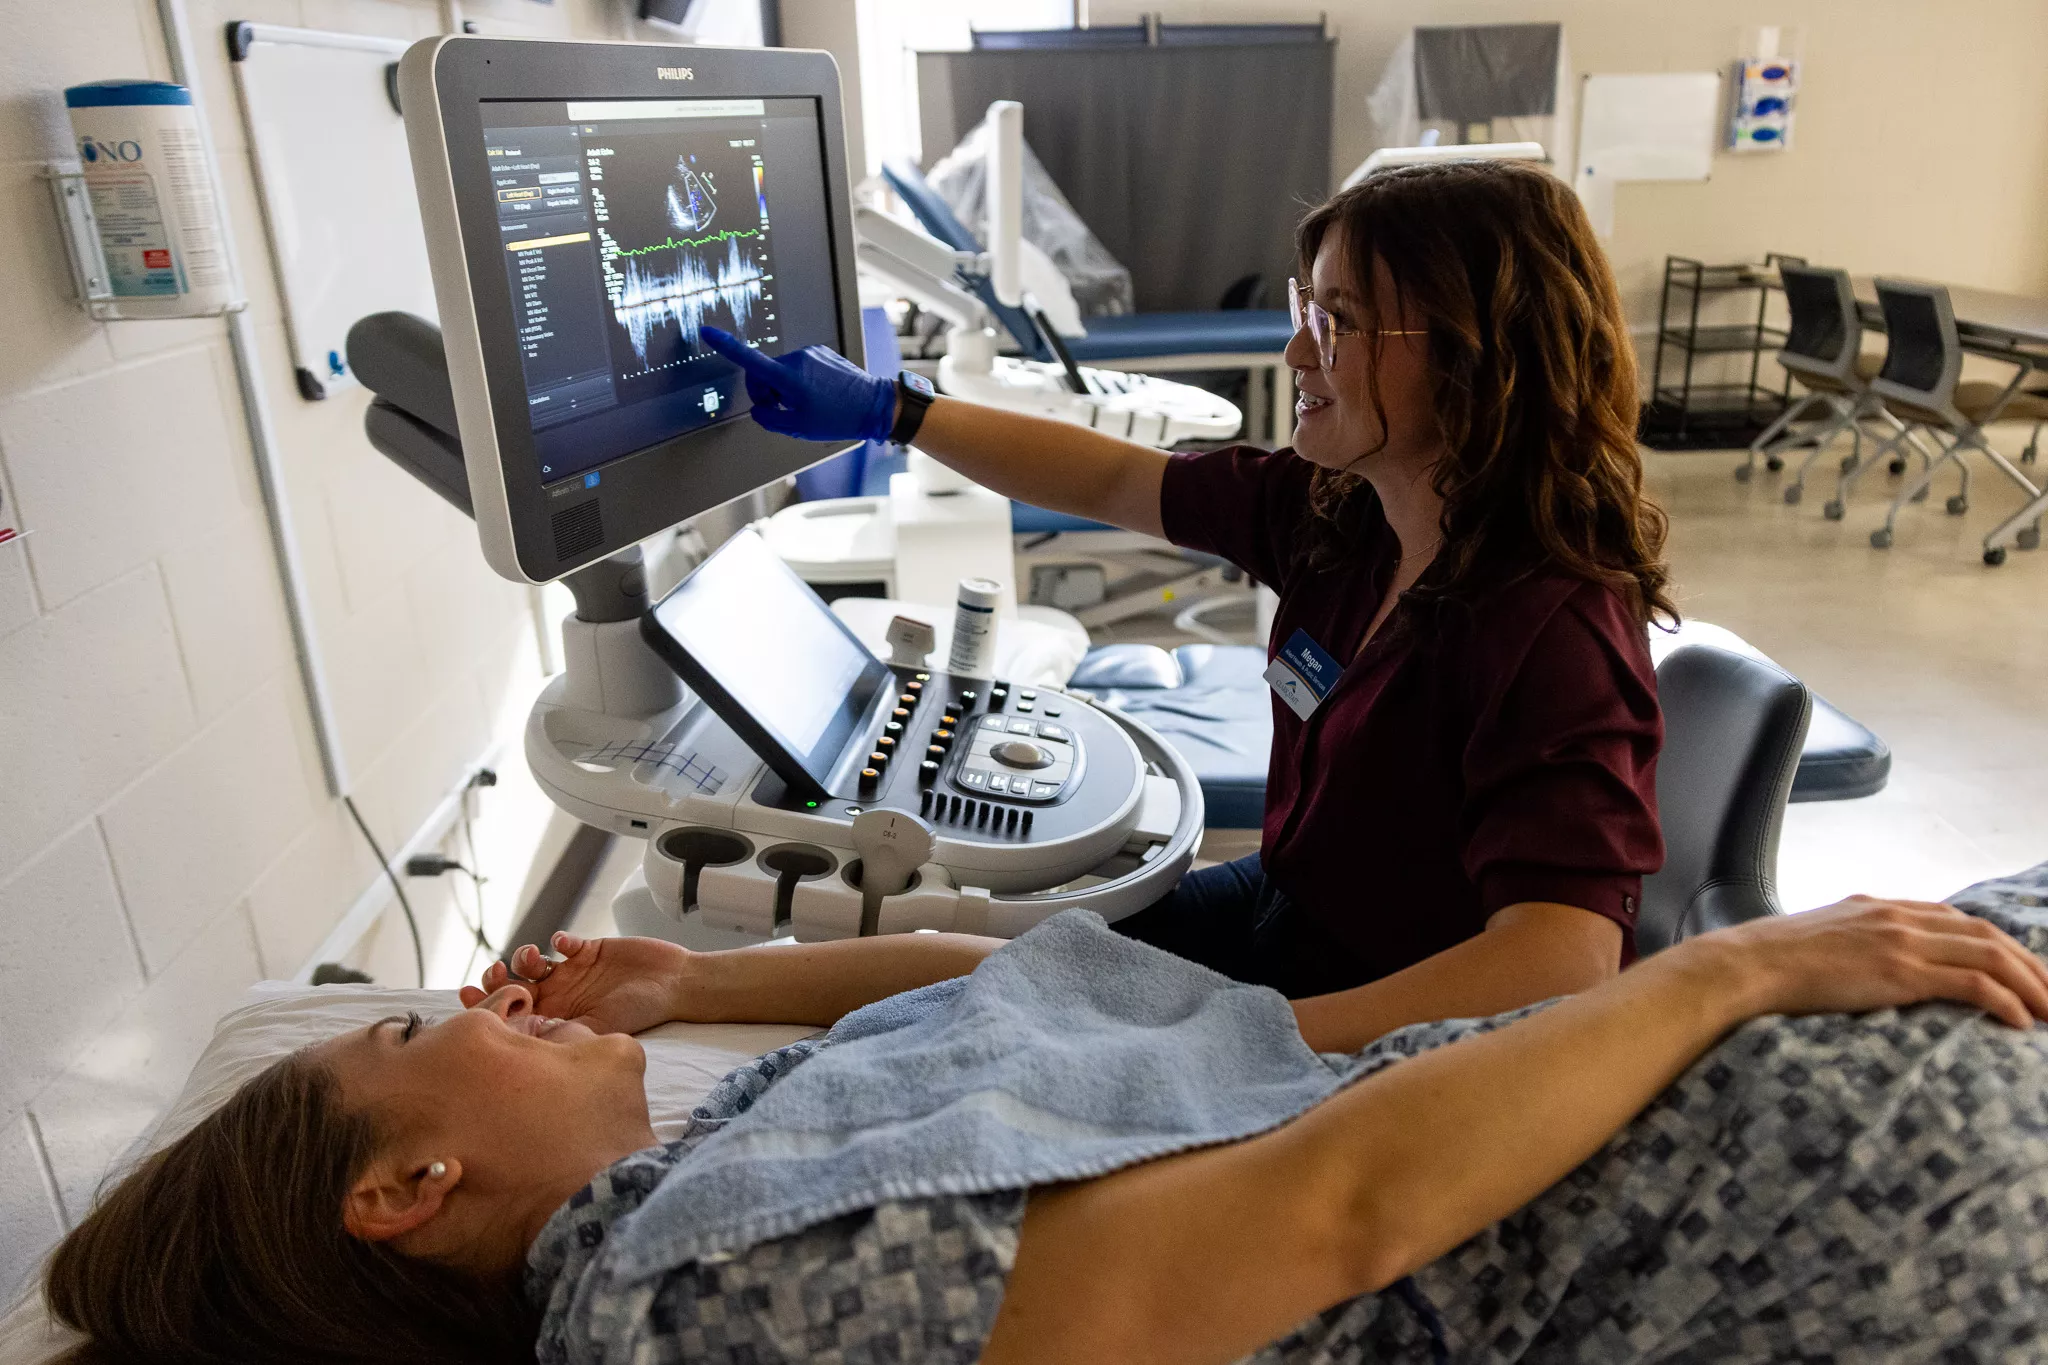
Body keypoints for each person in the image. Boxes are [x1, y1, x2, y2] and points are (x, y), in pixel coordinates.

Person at [42, 893, 2048, 1364]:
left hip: (1757, 1078)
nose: (475, 991)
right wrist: (1724, 974)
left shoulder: (668, 1199)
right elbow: (1338, 1207)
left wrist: (700, 983)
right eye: (418, 1024)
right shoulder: (702, 1301)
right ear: (405, 1185)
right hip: (1853, 1188)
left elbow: (1004, 991)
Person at [698, 158, 1667, 1036]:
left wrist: (1262, 1044)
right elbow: (1120, 481)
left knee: (1006, 1001)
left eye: (1337, 321)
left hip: (1377, 1020)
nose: (1296, 354)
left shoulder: (1554, 633)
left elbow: (1562, 965)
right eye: (1305, 308)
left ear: (1473, 350)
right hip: (1282, 913)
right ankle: (669, 981)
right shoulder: (1341, 517)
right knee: (1004, 959)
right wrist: (891, 410)